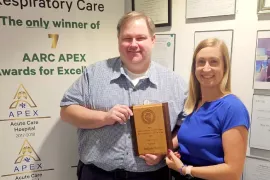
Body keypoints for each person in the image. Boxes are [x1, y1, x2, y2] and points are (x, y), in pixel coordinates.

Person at [60, 11, 187, 180]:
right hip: (98, 174)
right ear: (118, 40)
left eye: (140, 38)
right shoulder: (94, 74)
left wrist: (165, 148)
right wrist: (104, 117)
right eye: (127, 38)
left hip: (151, 176)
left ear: (153, 40)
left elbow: (187, 126)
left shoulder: (175, 83)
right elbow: (67, 111)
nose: (133, 44)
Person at [166, 38, 250, 180]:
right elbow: (188, 140)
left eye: (214, 62)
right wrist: (169, 152)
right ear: (194, 68)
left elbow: (233, 172)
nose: (206, 68)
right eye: (201, 62)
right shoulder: (193, 104)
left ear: (225, 67)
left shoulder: (233, 109)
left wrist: (185, 169)